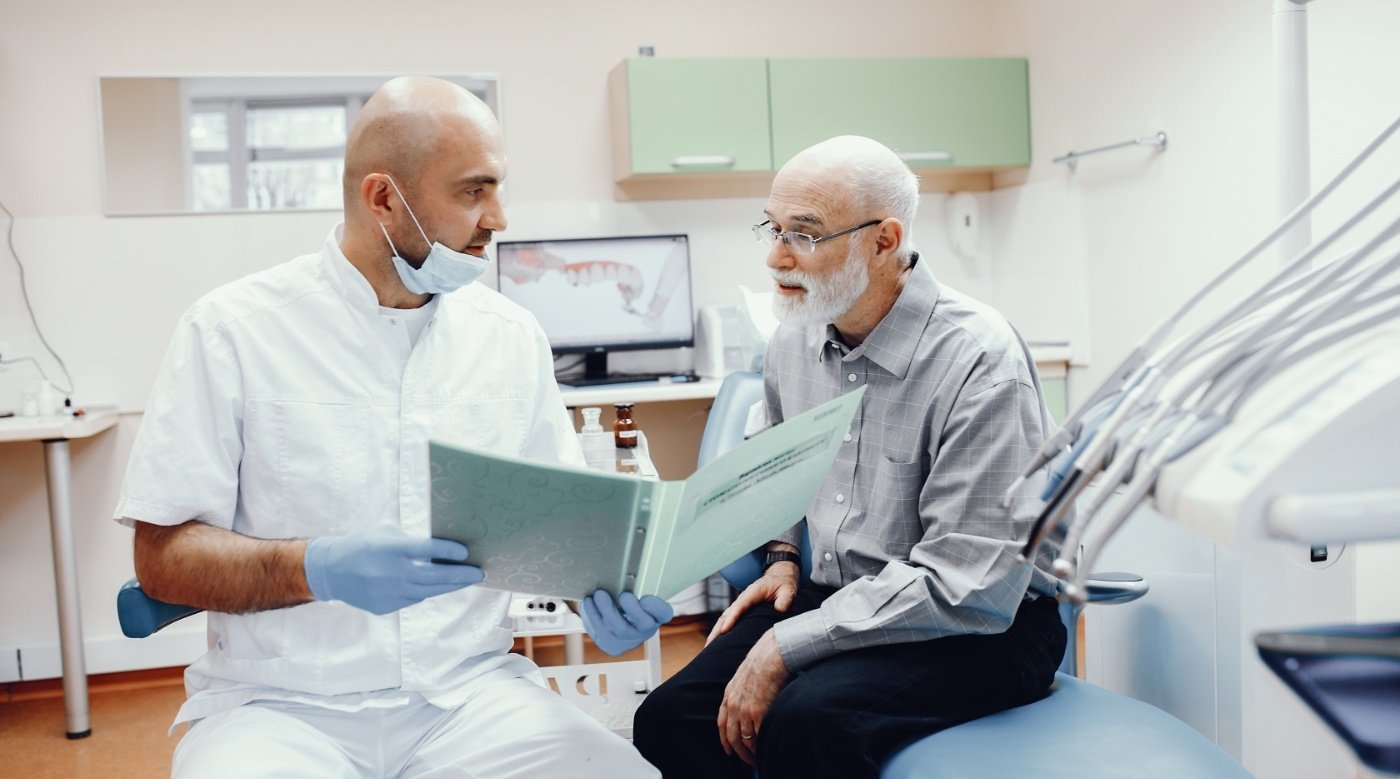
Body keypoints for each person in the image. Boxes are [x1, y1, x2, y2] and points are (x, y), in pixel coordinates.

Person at [115, 76, 668, 779]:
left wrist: (597, 596)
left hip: (471, 697)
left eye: (497, 189)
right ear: (383, 199)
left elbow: (550, 536)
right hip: (278, 710)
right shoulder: (231, 331)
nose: (499, 218)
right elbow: (161, 557)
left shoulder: (510, 336)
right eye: (473, 191)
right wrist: (314, 567)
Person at [632, 135, 1067, 778]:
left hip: (982, 626)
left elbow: (969, 584)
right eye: (771, 229)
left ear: (885, 240)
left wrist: (786, 645)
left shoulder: (979, 362)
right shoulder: (794, 337)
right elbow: (776, 464)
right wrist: (783, 559)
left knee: (809, 725)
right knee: (669, 719)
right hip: (842, 596)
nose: (776, 257)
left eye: (803, 235)